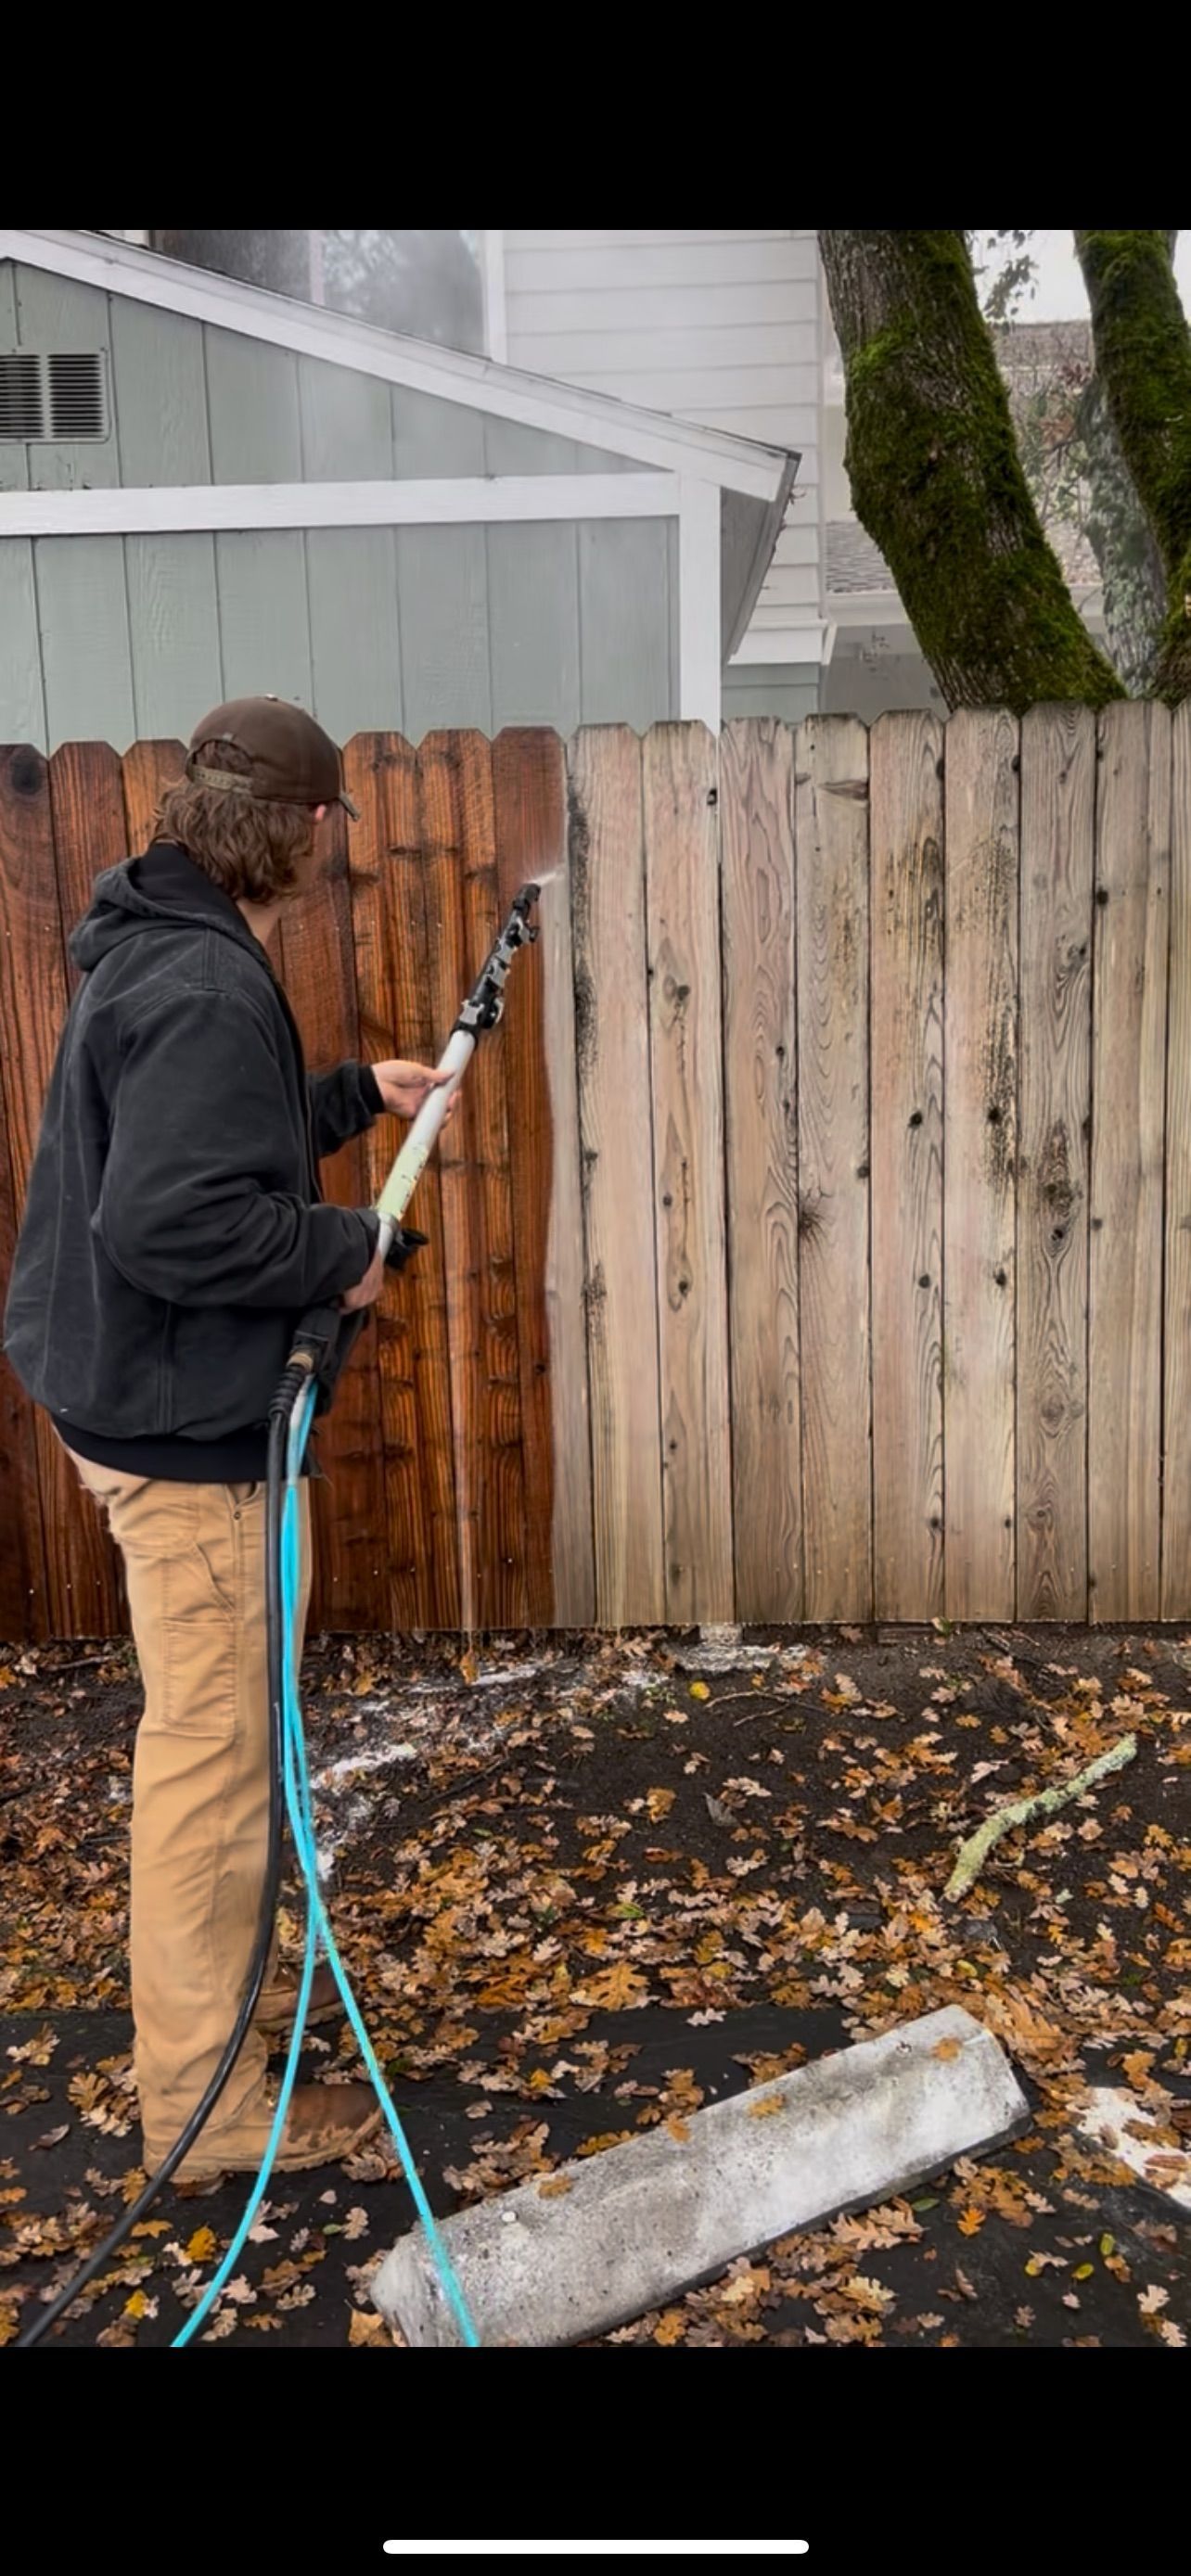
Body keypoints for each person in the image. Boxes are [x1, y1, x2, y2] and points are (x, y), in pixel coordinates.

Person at [4, 696, 454, 2185]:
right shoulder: (198, 979)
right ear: (311, 829)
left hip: (149, 1400)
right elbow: (174, 1215)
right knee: (209, 1761)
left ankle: (245, 2001)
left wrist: (343, 1097)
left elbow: (199, 1138)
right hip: (181, 1433)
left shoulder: (163, 940)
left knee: (243, 1727)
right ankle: (207, 2115)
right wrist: (342, 1247)